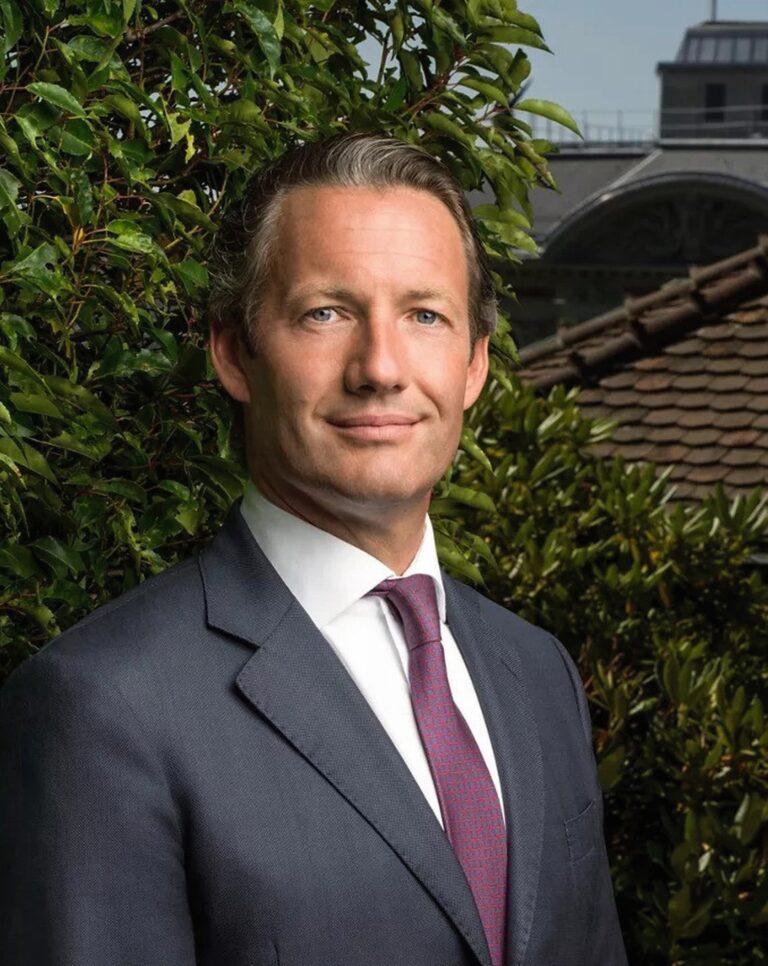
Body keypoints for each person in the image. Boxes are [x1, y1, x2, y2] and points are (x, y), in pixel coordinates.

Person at [0, 133, 627, 966]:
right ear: (233, 352)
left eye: (425, 315)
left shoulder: (539, 672)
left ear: (475, 363)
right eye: (326, 313)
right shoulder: (101, 708)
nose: (380, 368)